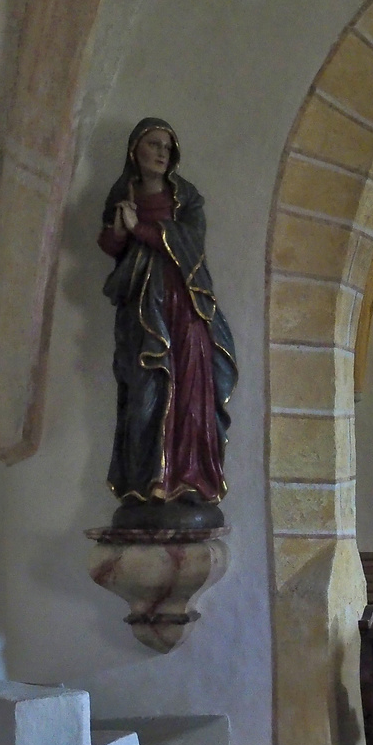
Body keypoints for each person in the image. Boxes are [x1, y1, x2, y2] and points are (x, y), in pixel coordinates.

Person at [98, 118, 237, 528]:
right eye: (154, 144)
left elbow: (190, 244)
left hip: (185, 305)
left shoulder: (186, 197)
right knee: (144, 392)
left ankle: (190, 482)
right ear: (135, 150)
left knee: (192, 392)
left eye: (167, 147)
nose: (161, 153)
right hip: (141, 311)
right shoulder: (121, 194)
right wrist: (120, 229)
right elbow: (110, 245)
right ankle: (145, 487)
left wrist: (138, 228)